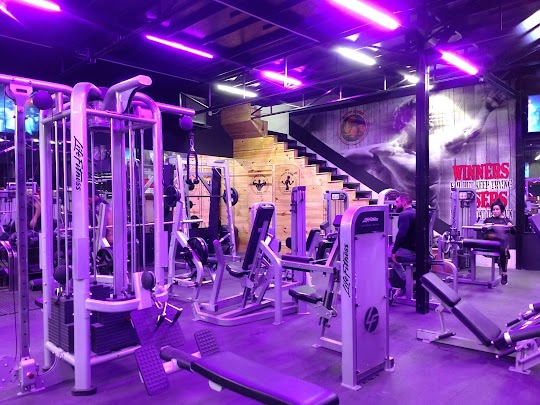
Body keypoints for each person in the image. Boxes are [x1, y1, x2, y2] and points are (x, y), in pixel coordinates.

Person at [343, 92, 504, 209]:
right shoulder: (384, 153)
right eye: (424, 116)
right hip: (400, 222)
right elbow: (341, 161)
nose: (431, 121)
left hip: (433, 224)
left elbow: (470, 132)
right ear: (405, 119)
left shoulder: (439, 144)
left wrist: (487, 108)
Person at [389, 193, 416, 301]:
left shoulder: (404, 215)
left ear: (404, 202)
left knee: (387, 257)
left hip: (409, 251)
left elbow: (401, 234)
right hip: (416, 249)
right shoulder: (416, 213)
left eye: (397, 202)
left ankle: (406, 283)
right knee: (390, 251)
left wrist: (394, 251)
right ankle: (407, 284)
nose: (395, 204)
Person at [483, 199, 514, 285]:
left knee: (503, 250)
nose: (495, 211)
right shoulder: (488, 220)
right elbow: (485, 233)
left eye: (497, 209)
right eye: (493, 209)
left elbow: (514, 232)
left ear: (501, 210)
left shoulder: (506, 220)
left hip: (502, 243)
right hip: (491, 241)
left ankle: (504, 274)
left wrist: (511, 227)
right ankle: (500, 260)